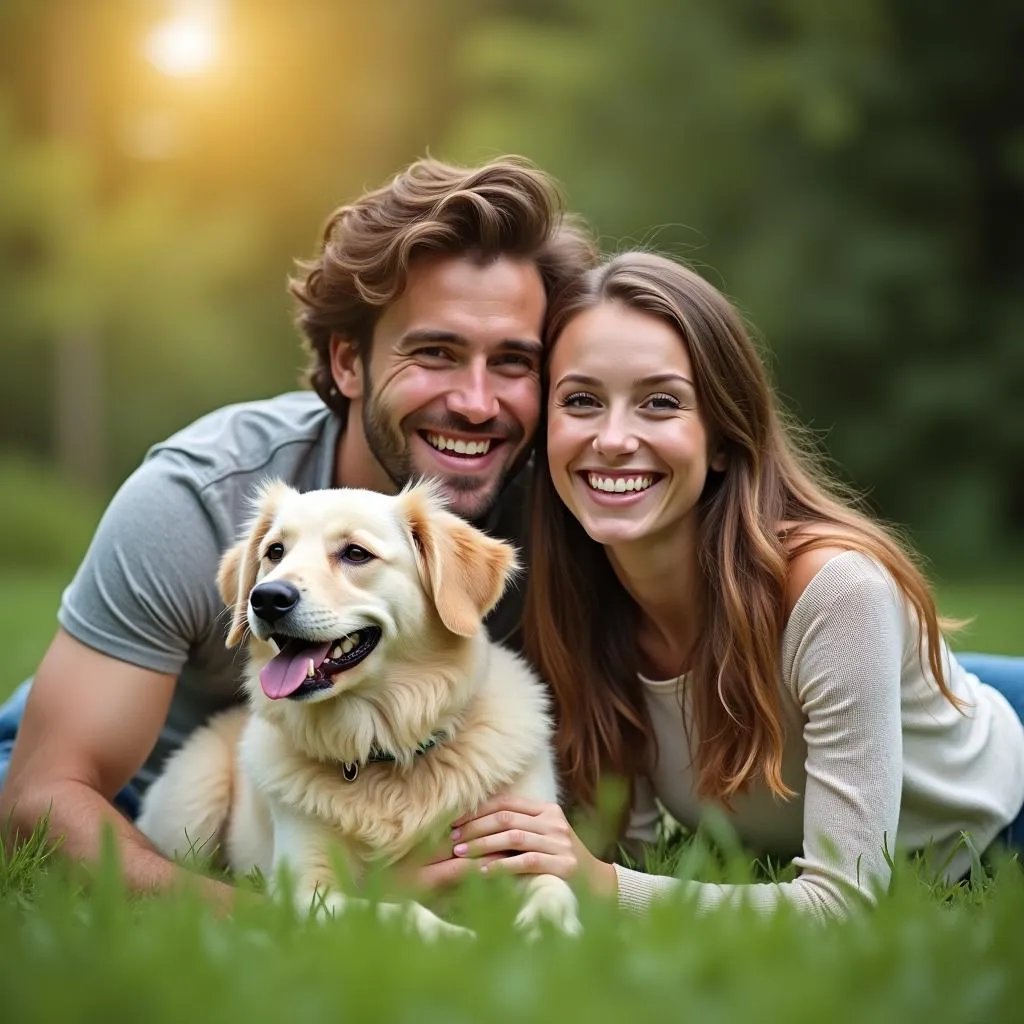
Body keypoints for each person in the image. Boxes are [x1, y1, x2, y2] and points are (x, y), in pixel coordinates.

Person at [0, 156, 596, 902]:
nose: (477, 403)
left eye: (513, 362)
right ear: (349, 362)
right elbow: (40, 797)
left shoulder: (570, 505)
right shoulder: (199, 496)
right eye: (435, 352)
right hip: (140, 799)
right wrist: (271, 919)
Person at [445, 251, 1024, 920]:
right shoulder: (579, 597)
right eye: (581, 401)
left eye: (660, 402)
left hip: (1004, 804)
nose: (612, 438)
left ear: (721, 438)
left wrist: (600, 881)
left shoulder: (838, 592)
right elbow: (620, 851)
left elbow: (842, 906)